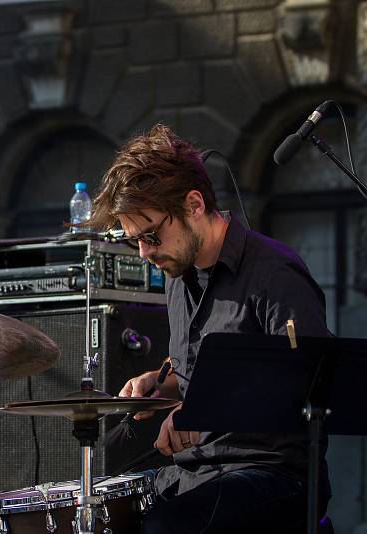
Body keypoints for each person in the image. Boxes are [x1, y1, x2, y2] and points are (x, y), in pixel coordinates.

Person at [89, 124, 330, 533]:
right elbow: (199, 367)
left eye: (151, 235)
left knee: (166, 527)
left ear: (195, 204)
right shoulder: (177, 275)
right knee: (103, 515)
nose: (145, 252)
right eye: (135, 241)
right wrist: (159, 383)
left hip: (272, 474)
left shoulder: (274, 273)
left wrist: (203, 412)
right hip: (196, 471)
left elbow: (308, 382)